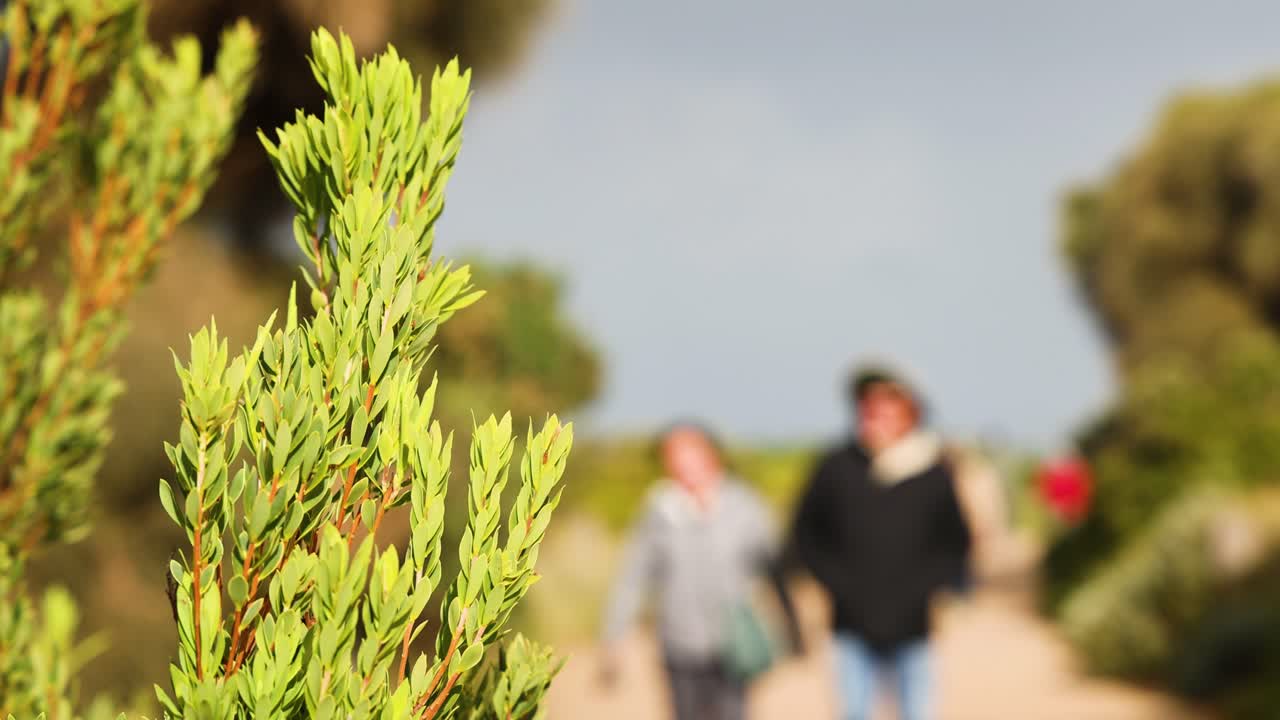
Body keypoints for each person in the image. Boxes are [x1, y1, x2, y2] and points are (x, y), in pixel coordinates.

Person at [788, 364, 971, 720]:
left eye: (889, 409)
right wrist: (837, 583)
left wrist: (926, 588)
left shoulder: (932, 472)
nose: (877, 418)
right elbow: (805, 534)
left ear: (911, 414)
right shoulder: (835, 467)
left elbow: (955, 542)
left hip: (913, 626)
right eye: (869, 409)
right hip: (850, 625)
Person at [599, 423, 801, 720]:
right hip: (679, 643)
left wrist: (791, 625)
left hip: (733, 641)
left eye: (689, 452)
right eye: (674, 454)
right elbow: (634, 576)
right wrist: (614, 634)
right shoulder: (659, 510)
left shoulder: (745, 505)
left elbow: (775, 568)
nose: (682, 462)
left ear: (712, 455)